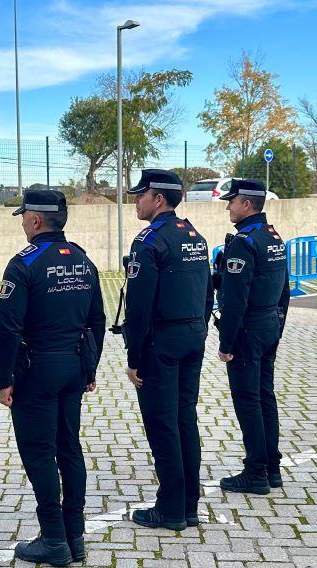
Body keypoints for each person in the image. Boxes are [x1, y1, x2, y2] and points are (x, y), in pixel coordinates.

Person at [0, 189, 106, 567]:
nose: (24, 222)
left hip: (36, 371)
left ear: (36, 220)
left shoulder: (23, 263)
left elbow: (8, 327)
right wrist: (90, 368)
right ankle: (75, 536)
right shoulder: (82, 259)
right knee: (69, 447)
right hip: (74, 367)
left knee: (40, 452)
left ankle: (54, 539)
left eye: (24, 216)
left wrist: (3, 379)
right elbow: (97, 320)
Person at [121, 169, 213, 532]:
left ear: (158, 199)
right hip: (193, 336)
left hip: (162, 343)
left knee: (163, 425)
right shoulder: (195, 236)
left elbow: (139, 309)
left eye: (140, 195)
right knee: (184, 419)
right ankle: (189, 504)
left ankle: (171, 509)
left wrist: (134, 358)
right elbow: (208, 293)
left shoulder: (149, 241)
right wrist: (200, 329)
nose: (136, 201)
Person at [215, 179, 290, 495]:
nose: (228, 207)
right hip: (269, 325)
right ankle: (272, 467)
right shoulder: (273, 237)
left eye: (231, 201)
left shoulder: (244, 243)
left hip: (248, 331)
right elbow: (285, 290)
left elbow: (235, 300)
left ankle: (256, 472)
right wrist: (277, 326)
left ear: (246, 204)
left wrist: (226, 344)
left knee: (248, 401)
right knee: (265, 396)